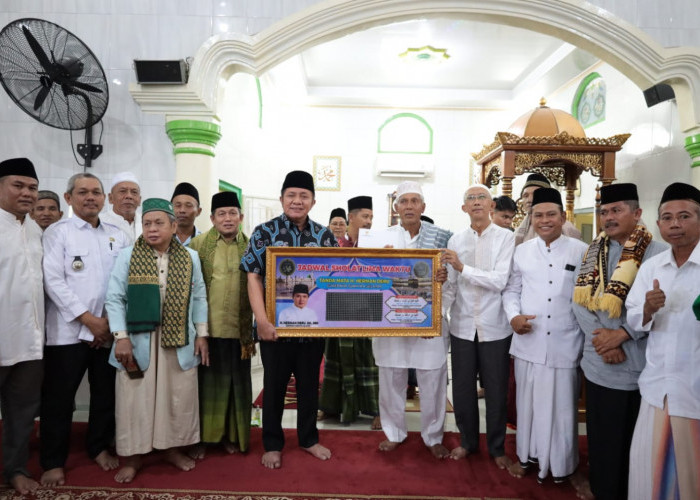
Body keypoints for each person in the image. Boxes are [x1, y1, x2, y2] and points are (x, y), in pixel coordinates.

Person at [572, 183, 667, 500]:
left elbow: (658, 309)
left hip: (634, 364)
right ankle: (601, 488)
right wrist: (602, 340)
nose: (608, 217)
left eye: (617, 210)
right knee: (600, 435)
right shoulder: (592, 251)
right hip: (598, 361)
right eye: (604, 212)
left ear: (637, 213)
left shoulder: (657, 254)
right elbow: (578, 302)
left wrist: (621, 337)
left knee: (630, 439)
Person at [106, 198, 209, 483]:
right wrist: (121, 337)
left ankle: (173, 449)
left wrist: (202, 334)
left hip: (179, 339)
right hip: (138, 339)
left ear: (174, 226)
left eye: (159, 223)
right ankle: (134, 456)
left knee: (177, 396)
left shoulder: (191, 258)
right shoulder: (128, 255)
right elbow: (114, 298)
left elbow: (199, 297)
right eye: (147, 223)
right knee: (135, 399)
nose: (152, 229)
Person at [241, 170, 337, 469]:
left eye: (304, 196)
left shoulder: (324, 235)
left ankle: (308, 439)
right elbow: (253, 277)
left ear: (313, 201)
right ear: (282, 198)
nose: (297, 201)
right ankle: (272, 443)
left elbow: (333, 280)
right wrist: (262, 321)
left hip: (312, 329)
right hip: (275, 330)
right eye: (291, 195)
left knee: (309, 386)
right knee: (274, 387)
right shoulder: (264, 232)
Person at [40, 173, 130, 487]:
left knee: (104, 395)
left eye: (96, 192)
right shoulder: (57, 233)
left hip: (106, 332)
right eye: (82, 192)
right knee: (59, 399)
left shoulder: (116, 234)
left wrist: (107, 325)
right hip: (67, 332)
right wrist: (88, 320)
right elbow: (53, 281)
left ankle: (98, 447)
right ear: (69, 198)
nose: (90, 197)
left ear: (104, 199)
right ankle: (52, 462)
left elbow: (123, 281)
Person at [502, 187, 588, 493]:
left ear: (563, 217)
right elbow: (511, 290)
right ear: (531, 218)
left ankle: (565, 466)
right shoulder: (522, 250)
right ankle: (527, 458)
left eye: (551, 214)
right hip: (529, 342)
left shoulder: (581, 250)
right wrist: (514, 316)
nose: (545, 220)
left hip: (566, 343)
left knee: (564, 409)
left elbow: (588, 297)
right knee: (528, 407)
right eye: (538, 215)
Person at [626, 182, 700, 500]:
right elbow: (632, 318)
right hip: (658, 388)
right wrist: (647, 307)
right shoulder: (653, 267)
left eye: (684, 216)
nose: (674, 224)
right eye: (667, 217)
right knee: (648, 475)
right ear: (658, 224)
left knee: (690, 479)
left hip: (695, 389)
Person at [372, 180, 452, 459]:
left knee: (432, 378)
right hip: (391, 318)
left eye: (413, 201)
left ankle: (433, 436)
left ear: (423, 207)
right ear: (396, 208)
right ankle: (394, 433)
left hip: (427, 321)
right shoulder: (381, 237)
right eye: (403, 201)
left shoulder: (441, 238)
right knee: (391, 377)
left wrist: (443, 283)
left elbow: (453, 281)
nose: (408, 206)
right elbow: (369, 276)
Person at [441, 184, 515, 469]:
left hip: (494, 325)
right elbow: (450, 286)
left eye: (481, 197)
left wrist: (462, 268)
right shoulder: (456, 240)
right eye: (469, 198)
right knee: (461, 389)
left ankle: (497, 448)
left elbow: (499, 280)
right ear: (464, 208)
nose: (475, 202)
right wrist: (436, 318)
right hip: (461, 325)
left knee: (496, 390)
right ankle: (467, 442)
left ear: (492, 205)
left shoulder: (506, 238)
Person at [188, 191, 254, 458]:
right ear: (212, 218)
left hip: (239, 332)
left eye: (233, 213)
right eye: (222, 214)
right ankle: (201, 439)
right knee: (205, 388)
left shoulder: (252, 246)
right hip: (207, 330)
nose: (228, 219)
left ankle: (231, 437)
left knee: (235, 387)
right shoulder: (197, 245)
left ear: (241, 217)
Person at [0, 158, 43, 495]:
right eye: (19, 185)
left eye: (32, 187)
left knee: (22, 413)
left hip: (29, 340)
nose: (27, 193)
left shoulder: (35, 229)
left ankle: (15, 469)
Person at [319, 195, 381, 429]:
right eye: (365, 216)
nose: (368, 221)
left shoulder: (377, 244)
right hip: (339, 309)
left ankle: (376, 409)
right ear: (351, 218)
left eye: (371, 217)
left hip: (368, 311)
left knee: (370, 361)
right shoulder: (335, 246)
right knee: (336, 358)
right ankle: (330, 407)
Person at [514, 173, 582, 245]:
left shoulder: (567, 228)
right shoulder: (520, 230)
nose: (529, 200)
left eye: (535, 194)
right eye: (525, 195)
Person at [101, 171, 142, 243]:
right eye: (123, 191)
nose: (129, 196)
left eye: (134, 192)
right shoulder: (98, 223)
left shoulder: (147, 223)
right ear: (111, 198)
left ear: (139, 200)